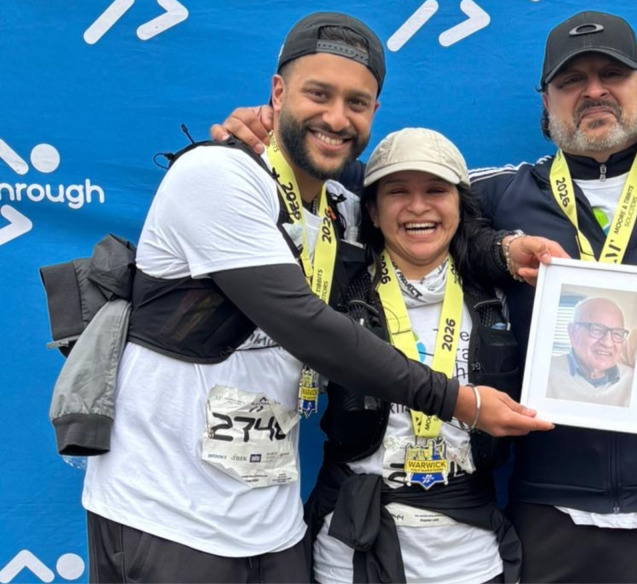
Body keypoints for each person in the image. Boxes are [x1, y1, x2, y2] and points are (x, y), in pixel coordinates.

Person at [211, 11, 637, 582]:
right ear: (545, 104)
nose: (592, 91)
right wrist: (265, 140)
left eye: (611, 76)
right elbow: (387, 190)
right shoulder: (498, 193)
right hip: (548, 519)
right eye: (571, 81)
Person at [81, 14, 551, 583]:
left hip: (273, 523)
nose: (336, 117)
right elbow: (301, 322)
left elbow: (422, 223)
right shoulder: (217, 175)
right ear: (277, 94)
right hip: (166, 513)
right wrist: (461, 402)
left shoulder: (342, 211)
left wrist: (498, 251)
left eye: (357, 102)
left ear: (373, 113)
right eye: (318, 94)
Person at [304, 128, 523, 584]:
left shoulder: (498, 300)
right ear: (372, 211)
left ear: (461, 206)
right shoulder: (334, 293)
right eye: (398, 192)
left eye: (436, 191)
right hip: (351, 553)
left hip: (469, 555)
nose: (418, 207)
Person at [547, 296, 634, 407]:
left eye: (617, 333)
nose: (608, 343)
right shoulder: (545, 372)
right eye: (596, 330)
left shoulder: (634, 381)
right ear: (573, 333)